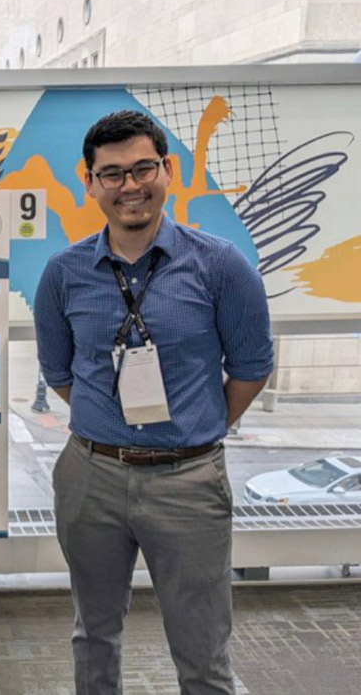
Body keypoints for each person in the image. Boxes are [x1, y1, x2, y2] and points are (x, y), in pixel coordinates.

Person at [34, 110, 274, 695]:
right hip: (91, 477)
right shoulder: (63, 274)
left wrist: (196, 428)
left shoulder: (220, 265)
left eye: (143, 168)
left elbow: (251, 367)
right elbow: (59, 373)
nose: (130, 186)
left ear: (168, 171)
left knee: (203, 654)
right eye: (112, 174)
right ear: (90, 183)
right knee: (93, 636)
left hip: (188, 482)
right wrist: (110, 423)